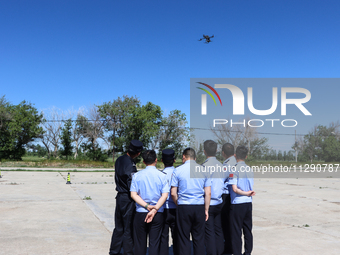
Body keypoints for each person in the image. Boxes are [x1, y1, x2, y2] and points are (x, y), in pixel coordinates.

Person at [171, 148, 212, 255]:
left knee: (183, 238)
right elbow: (208, 193)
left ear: (184, 156)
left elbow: (173, 193)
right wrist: (206, 209)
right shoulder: (203, 170)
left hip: (184, 206)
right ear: (195, 157)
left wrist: (178, 203)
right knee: (199, 238)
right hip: (199, 206)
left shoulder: (177, 170)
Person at [130, 150, 169, 255]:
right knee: (154, 243)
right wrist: (155, 208)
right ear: (156, 160)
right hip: (157, 213)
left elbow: (133, 194)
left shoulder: (137, 176)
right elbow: (165, 195)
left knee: (139, 243)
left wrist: (147, 206)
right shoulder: (162, 176)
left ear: (143, 162)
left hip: (141, 212)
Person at [109, 140, 143, 255]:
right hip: (128, 198)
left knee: (118, 227)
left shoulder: (120, 159)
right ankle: (128, 252)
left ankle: (114, 251)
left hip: (119, 197)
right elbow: (131, 183)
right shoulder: (130, 164)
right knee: (128, 228)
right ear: (138, 153)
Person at [228, 146, 256, 255]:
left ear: (235, 155)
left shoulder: (234, 169)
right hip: (248, 203)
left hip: (237, 204)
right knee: (247, 230)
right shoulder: (249, 169)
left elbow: (234, 189)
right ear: (246, 156)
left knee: (236, 232)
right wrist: (248, 194)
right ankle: (248, 252)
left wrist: (245, 193)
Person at [202, 140, 225, 255]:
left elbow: (206, 190)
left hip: (209, 203)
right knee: (218, 230)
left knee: (209, 232)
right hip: (219, 202)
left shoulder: (203, 167)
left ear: (204, 151)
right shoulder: (221, 166)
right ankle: (220, 252)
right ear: (216, 150)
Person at [160, 149, 178, 255]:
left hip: (164, 209)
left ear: (162, 160)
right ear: (174, 160)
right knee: (177, 236)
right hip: (175, 208)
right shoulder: (178, 173)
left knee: (163, 236)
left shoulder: (161, 175)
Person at [221, 143, 237, 255]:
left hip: (226, 195)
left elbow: (221, 178)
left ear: (223, 153)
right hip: (236, 196)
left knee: (225, 223)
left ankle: (228, 247)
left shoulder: (226, 164)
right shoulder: (237, 162)